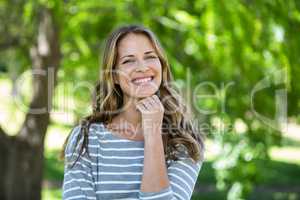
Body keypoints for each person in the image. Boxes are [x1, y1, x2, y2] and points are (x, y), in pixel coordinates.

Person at [61, 24, 204, 200]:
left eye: (150, 57)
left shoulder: (184, 140)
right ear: (113, 75)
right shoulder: (86, 139)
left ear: (162, 65)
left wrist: (153, 134)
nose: (142, 67)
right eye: (128, 60)